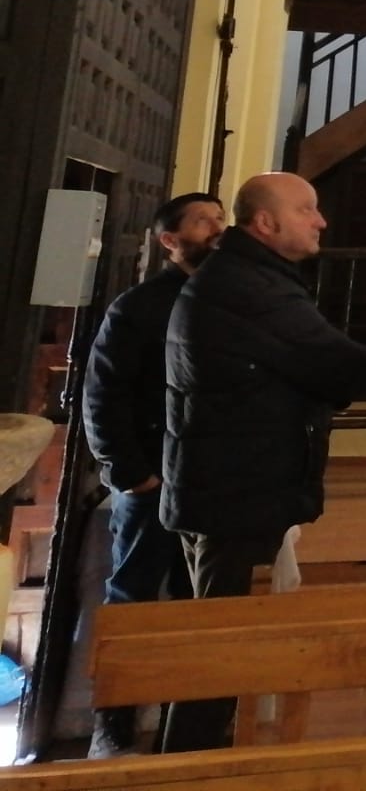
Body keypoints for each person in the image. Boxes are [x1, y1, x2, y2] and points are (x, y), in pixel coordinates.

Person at [160, 173, 366, 752]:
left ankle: (199, 755)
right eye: (307, 210)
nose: (321, 220)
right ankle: (187, 769)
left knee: (224, 642)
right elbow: (341, 364)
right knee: (220, 651)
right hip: (236, 489)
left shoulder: (247, 277)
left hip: (230, 483)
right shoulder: (251, 287)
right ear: (265, 223)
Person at [80, 192, 224, 757]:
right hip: (152, 479)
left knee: (198, 606)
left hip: (208, 479)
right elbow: (104, 392)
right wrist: (129, 471)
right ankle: (112, 727)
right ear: (170, 240)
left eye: (220, 218)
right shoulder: (138, 306)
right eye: (203, 221)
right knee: (134, 600)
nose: (217, 228)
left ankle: (181, 727)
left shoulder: (229, 300)